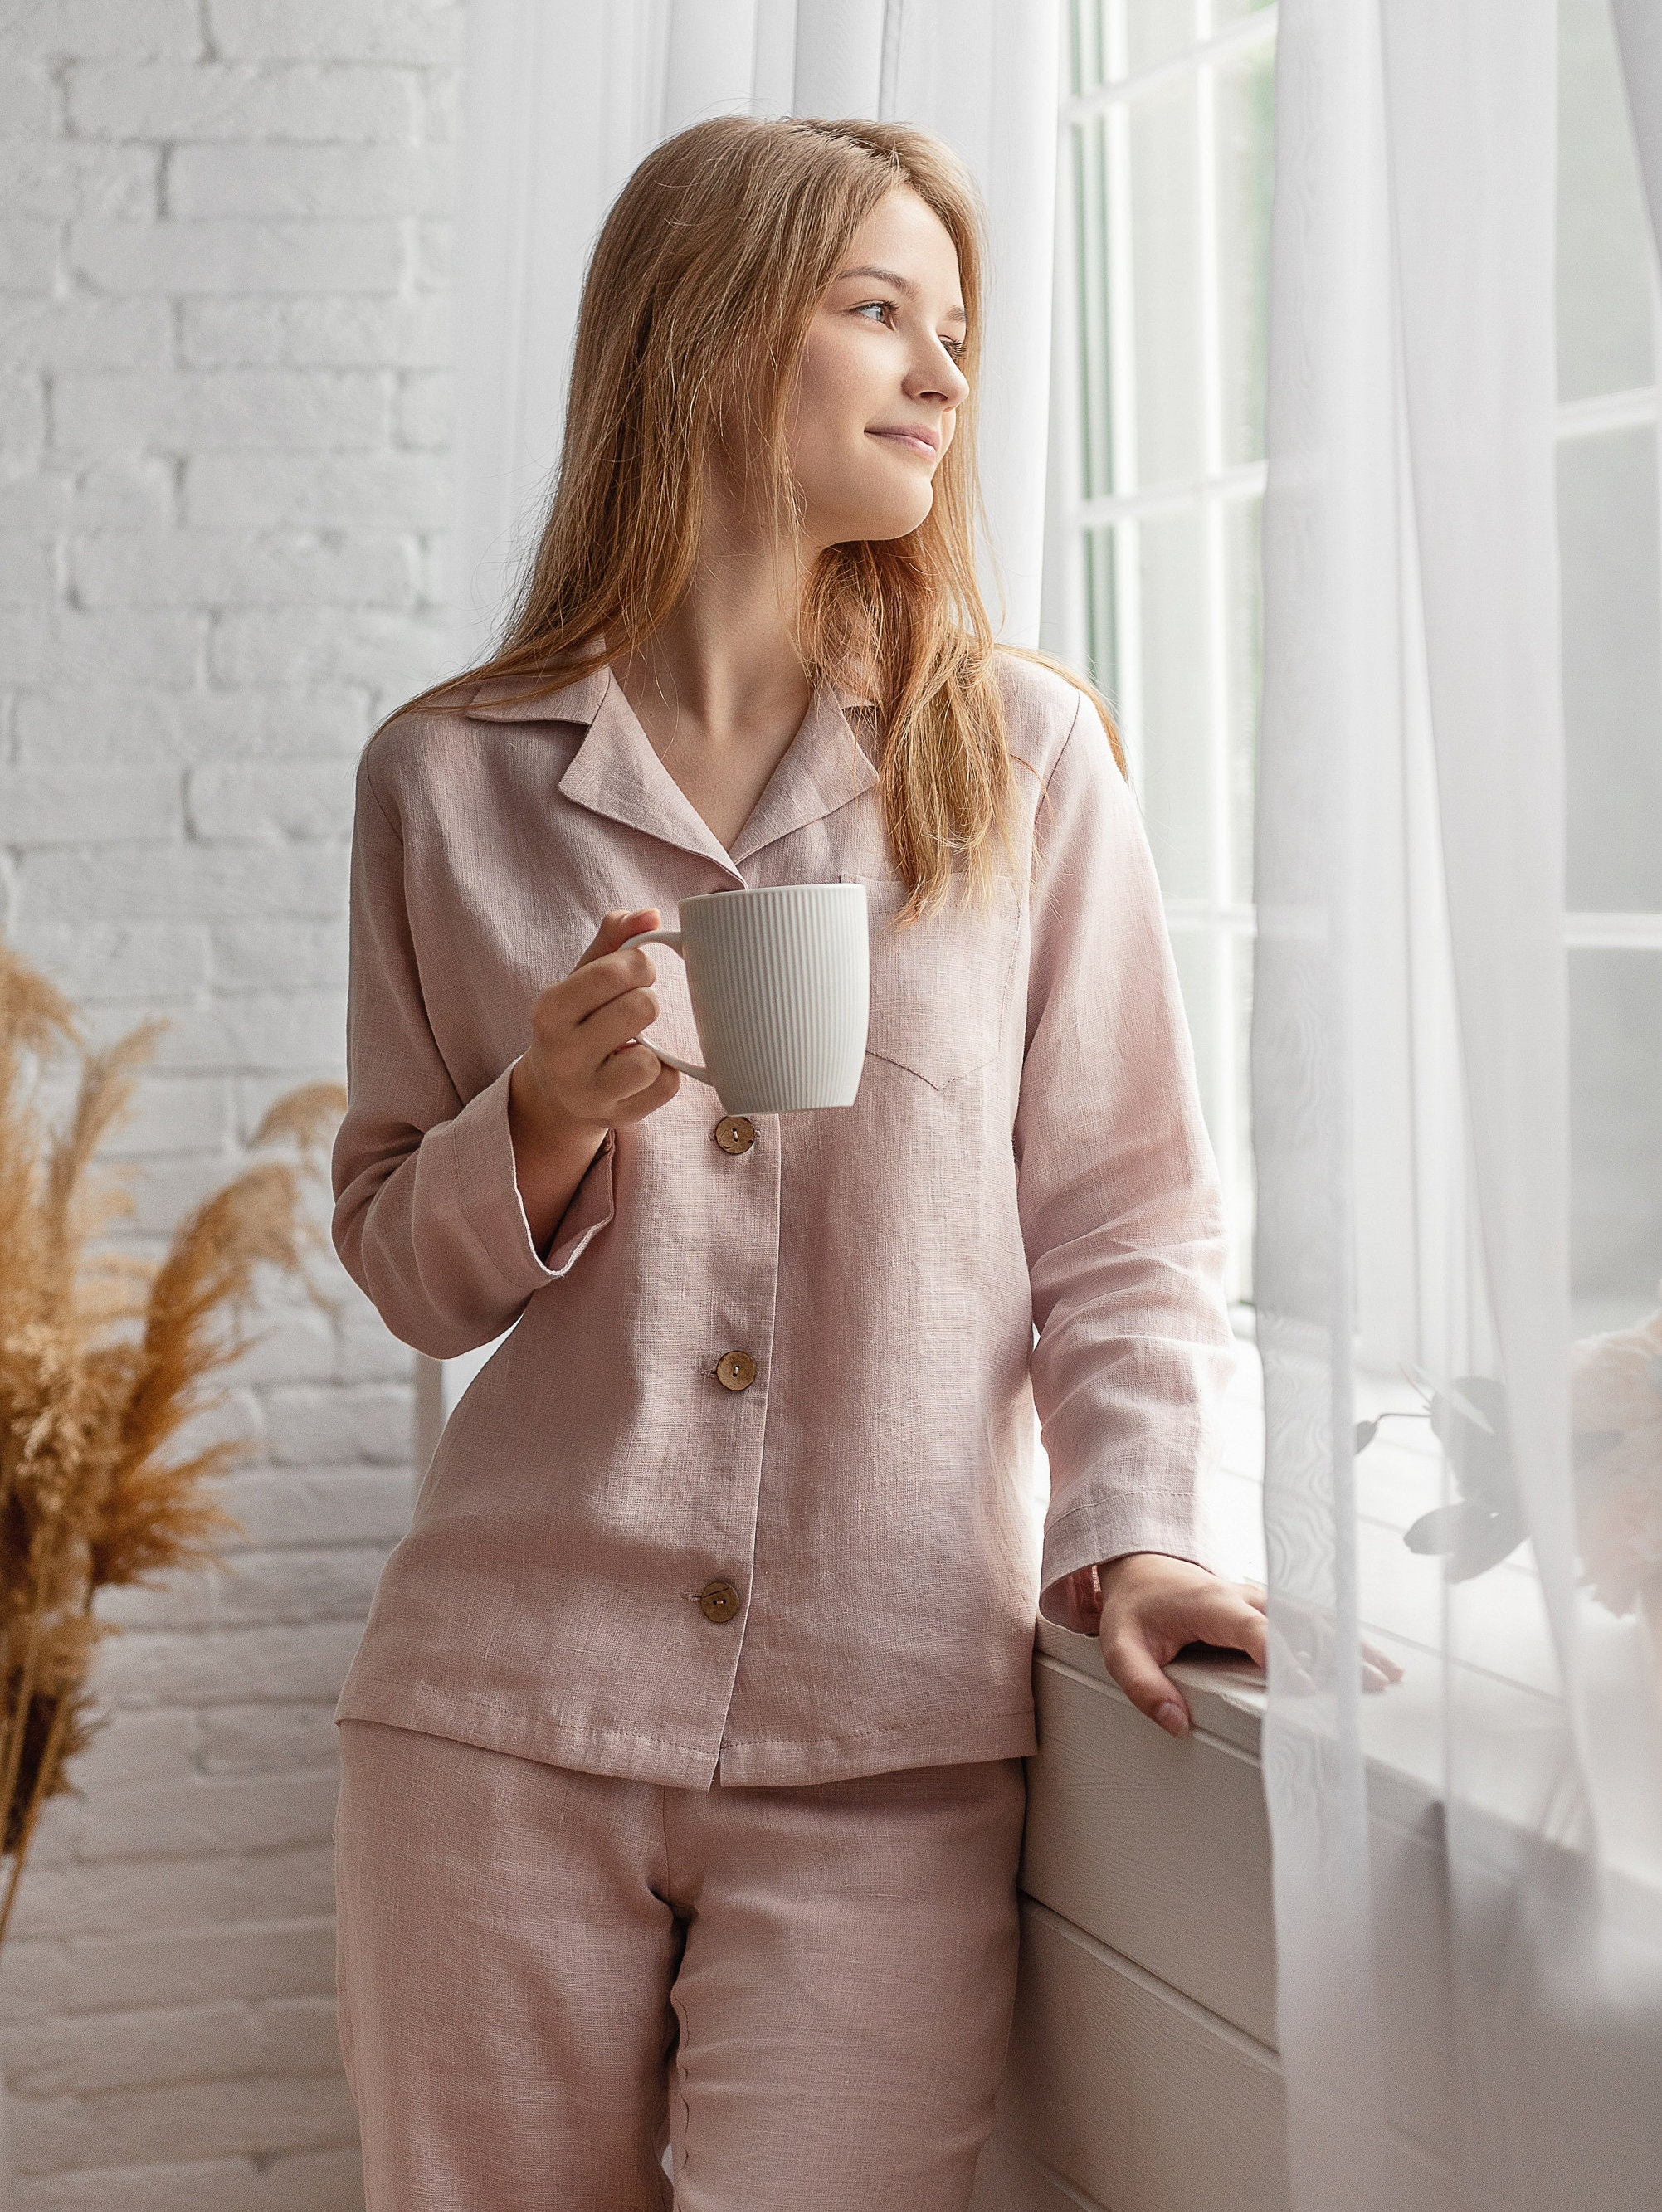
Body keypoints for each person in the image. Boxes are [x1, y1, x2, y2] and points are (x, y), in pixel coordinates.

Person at [328, 113, 1269, 2212]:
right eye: (878, 313)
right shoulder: (447, 779)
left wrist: (1141, 1527)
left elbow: (1125, 1221)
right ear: (707, 334)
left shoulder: (1020, 756)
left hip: (890, 1732)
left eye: (957, 329)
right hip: (497, 1713)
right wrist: (545, 1123)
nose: (944, 375)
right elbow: (402, 1257)